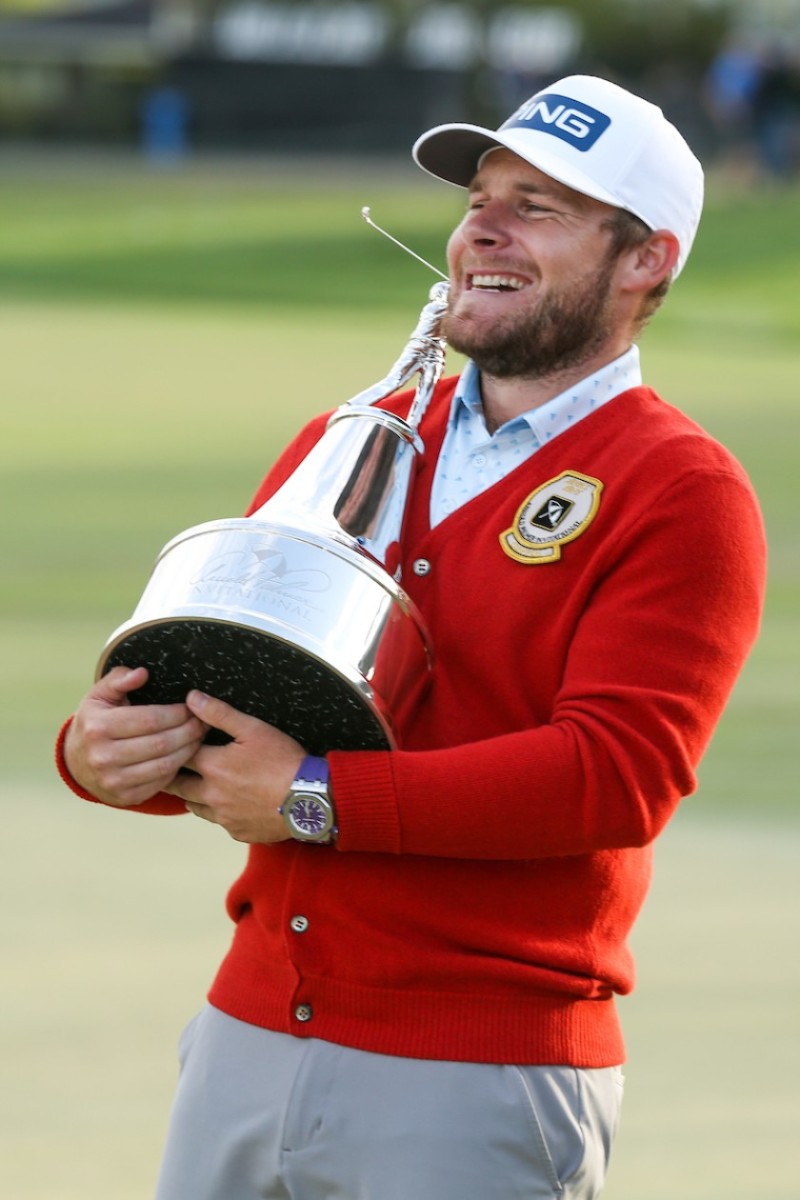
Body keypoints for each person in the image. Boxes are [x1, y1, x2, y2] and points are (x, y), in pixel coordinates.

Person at [56, 75, 766, 1200]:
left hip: (473, 1074)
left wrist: (311, 801)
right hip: (244, 1038)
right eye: (480, 196)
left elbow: (613, 776)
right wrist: (106, 753)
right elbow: (231, 674)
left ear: (644, 261)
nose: (481, 225)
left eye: (538, 206)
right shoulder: (348, 437)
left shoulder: (680, 490)